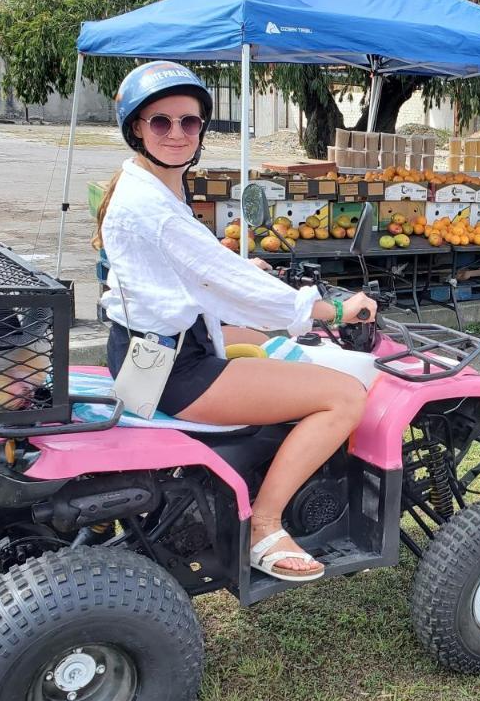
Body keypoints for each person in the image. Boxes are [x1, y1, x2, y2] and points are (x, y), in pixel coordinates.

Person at [93, 61, 377, 582]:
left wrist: (238, 273)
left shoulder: (148, 186)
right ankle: (264, 526)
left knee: (261, 341)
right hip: (174, 367)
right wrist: (331, 309)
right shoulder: (150, 204)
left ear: (202, 128)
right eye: (161, 122)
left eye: (189, 122)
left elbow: (194, 271)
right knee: (345, 397)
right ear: (136, 127)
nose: (177, 133)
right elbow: (224, 283)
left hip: (147, 351)